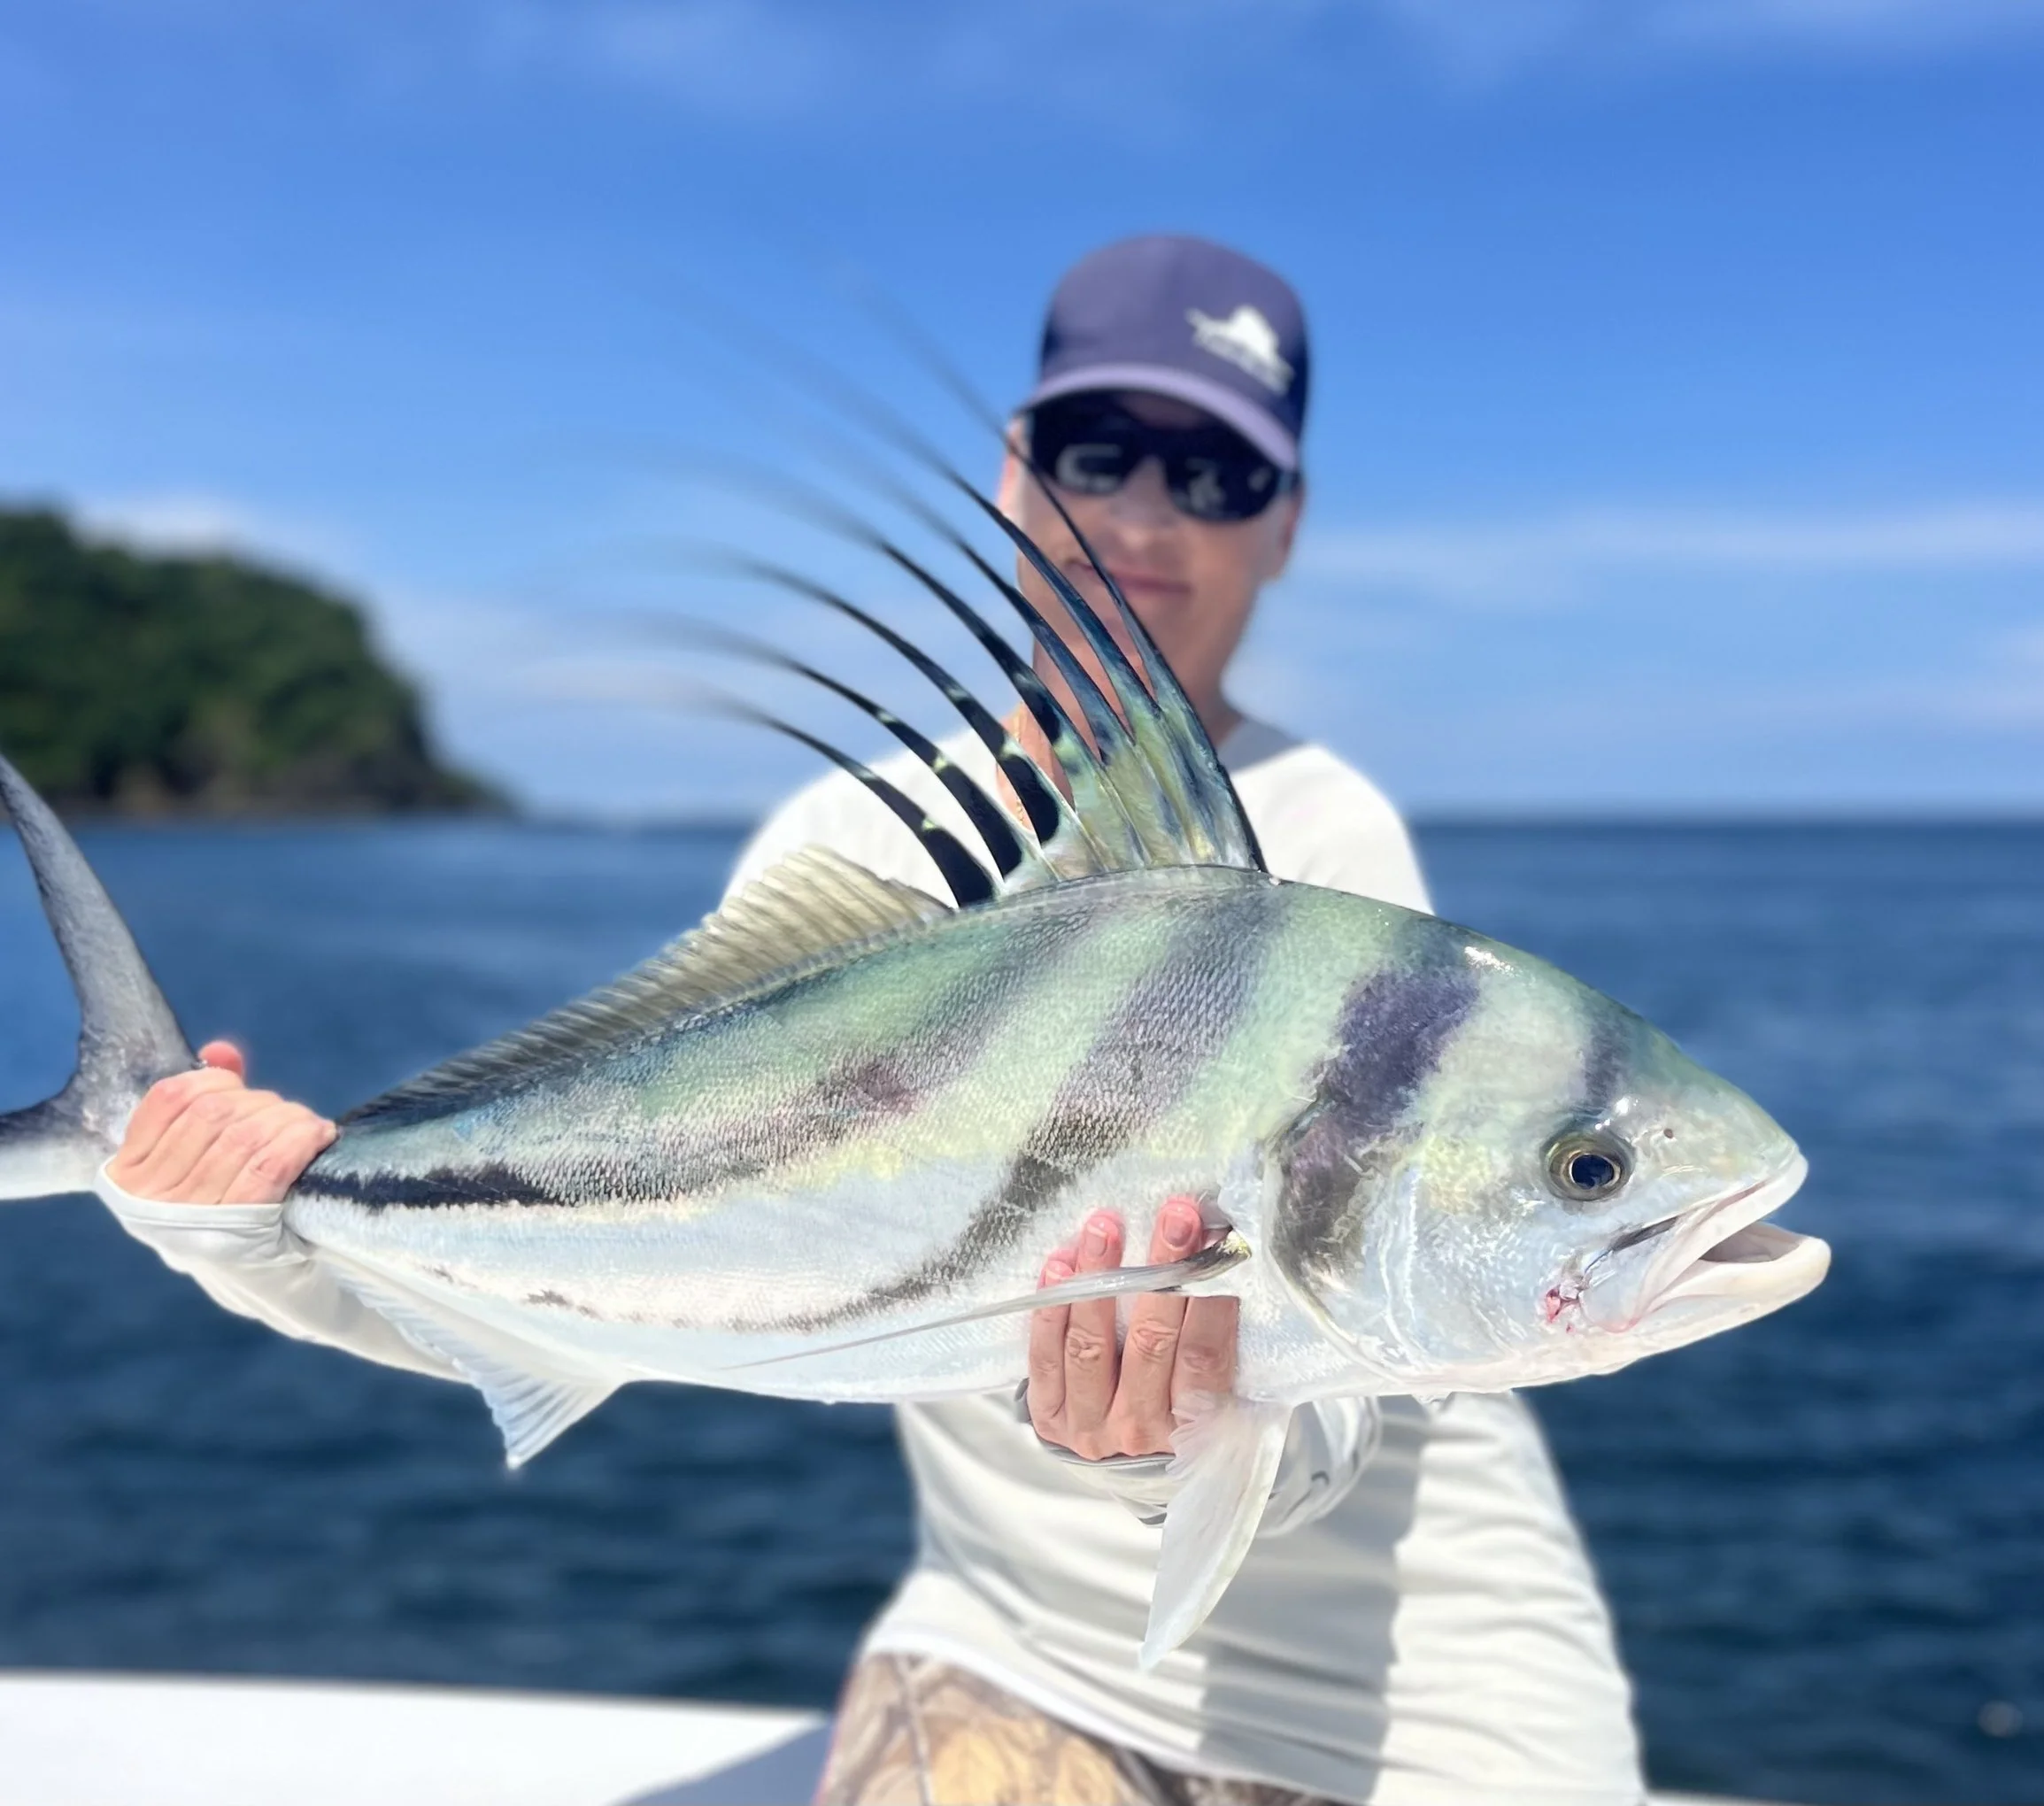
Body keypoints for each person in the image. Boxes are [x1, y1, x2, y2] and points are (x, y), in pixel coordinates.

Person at [99, 236, 1644, 1805]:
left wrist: (1189, 1426)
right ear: (1016, 472)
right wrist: (249, 1225)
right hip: (1015, 1650)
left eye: (1216, 475)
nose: (1145, 513)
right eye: (1098, 453)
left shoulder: (1324, 846)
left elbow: (1358, 1355)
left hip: (1418, 1695)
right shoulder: (852, 852)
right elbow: (588, 1275)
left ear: (1287, 523)